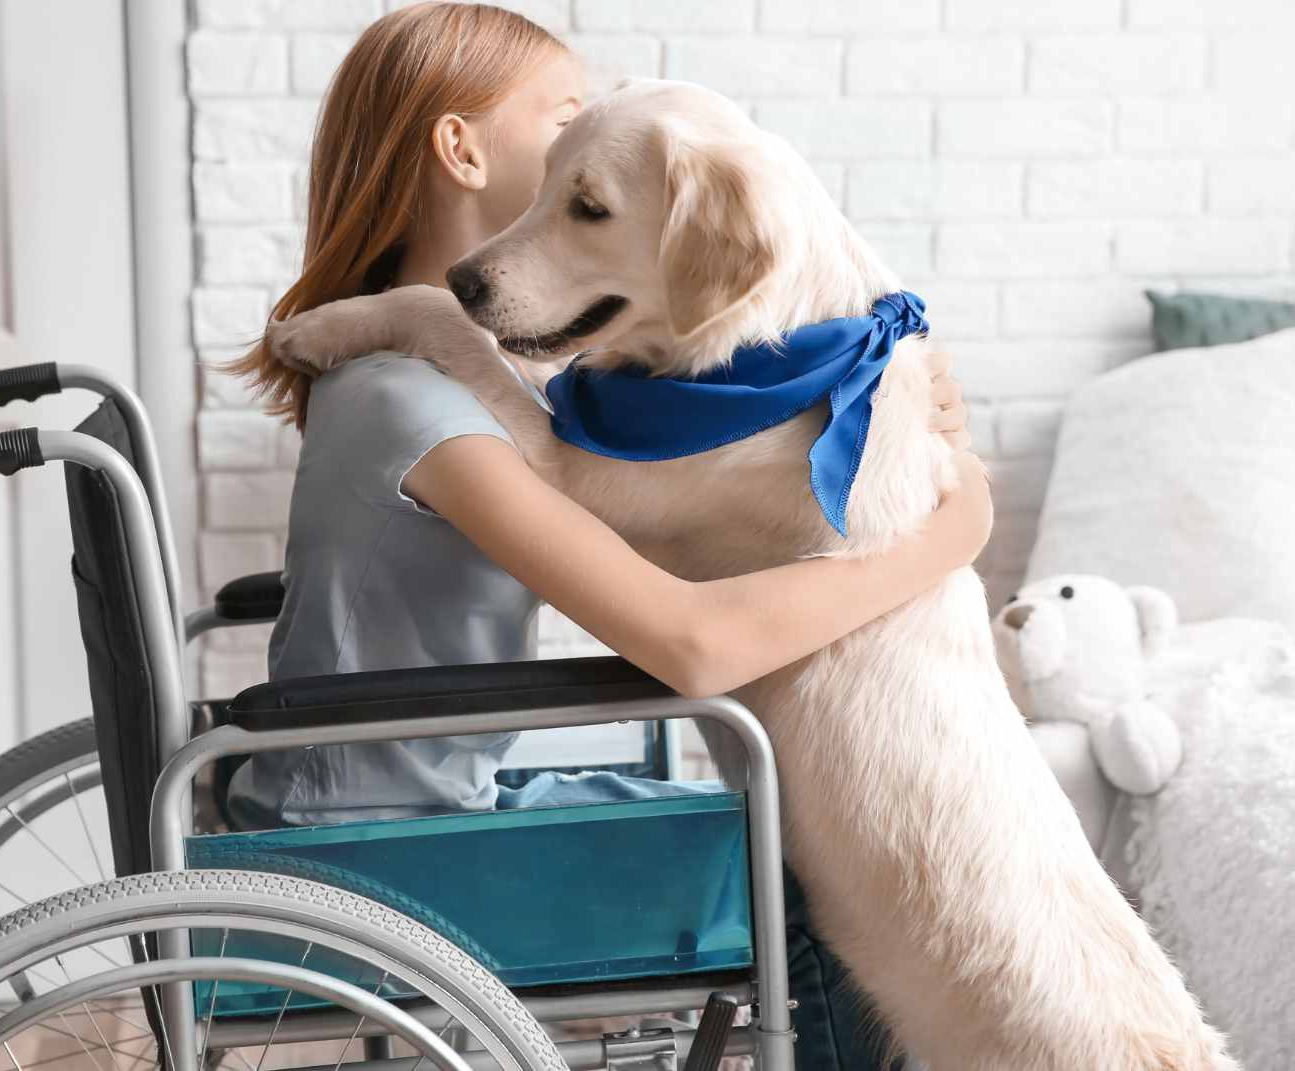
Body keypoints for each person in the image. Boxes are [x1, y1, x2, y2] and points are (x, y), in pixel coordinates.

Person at [224, 5, 992, 1069]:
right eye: (565, 116)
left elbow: (667, 426)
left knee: (750, 833)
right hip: (384, 856)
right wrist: (945, 541)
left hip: (413, 809)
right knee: (788, 873)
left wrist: (904, 399)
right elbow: (690, 644)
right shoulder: (412, 396)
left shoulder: (432, 379)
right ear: (462, 146)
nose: (588, 137)